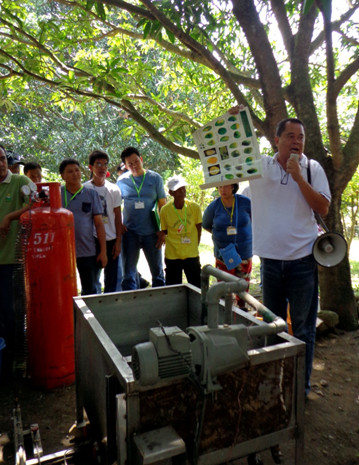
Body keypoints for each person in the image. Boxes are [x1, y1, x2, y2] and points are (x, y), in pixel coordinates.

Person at [0, 146, 34, 375]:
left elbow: (38, 202)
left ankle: (19, 358)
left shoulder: (20, 181)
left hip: (12, 260)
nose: (1, 164)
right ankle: (6, 356)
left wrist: (10, 217)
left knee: (14, 311)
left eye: (2, 159)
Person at [117, 147, 166, 290]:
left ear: (141, 159)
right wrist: (120, 224)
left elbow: (162, 205)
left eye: (136, 161)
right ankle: (131, 305)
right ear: (125, 166)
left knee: (157, 272)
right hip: (130, 232)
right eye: (129, 164)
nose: (134, 166)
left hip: (152, 232)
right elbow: (115, 206)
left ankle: (161, 301)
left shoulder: (155, 178)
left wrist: (163, 230)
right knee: (129, 273)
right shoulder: (121, 181)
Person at [59, 158, 107, 295]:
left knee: (89, 290)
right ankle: (70, 316)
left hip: (87, 250)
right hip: (63, 252)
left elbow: (99, 224)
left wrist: (103, 252)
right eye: (70, 171)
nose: (75, 174)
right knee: (65, 289)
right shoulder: (57, 194)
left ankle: (89, 316)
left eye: (77, 170)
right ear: (63, 176)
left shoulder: (91, 194)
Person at [202, 183, 252, 307]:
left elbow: (255, 218)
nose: (222, 190)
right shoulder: (214, 206)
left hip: (243, 253)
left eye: (225, 186)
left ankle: (242, 310)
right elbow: (206, 224)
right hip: (223, 254)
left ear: (233, 187)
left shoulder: (245, 202)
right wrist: (220, 236)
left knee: (243, 285)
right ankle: (225, 314)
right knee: (224, 287)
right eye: (219, 187)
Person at [84, 150, 123, 293]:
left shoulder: (114, 189)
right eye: (98, 164)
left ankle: (111, 310)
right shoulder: (85, 189)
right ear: (90, 167)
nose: (102, 168)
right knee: (93, 280)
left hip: (112, 238)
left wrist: (118, 241)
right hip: (92, 239)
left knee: (112, 280)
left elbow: (118, 217)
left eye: (105, 164)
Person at [159, 175, 202, 287]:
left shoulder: (194, 207)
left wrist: (194, 246)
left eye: (183, 188)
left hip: (191, 254)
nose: (182, 191)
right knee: (173, 287)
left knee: (197, 286)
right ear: (171, 193)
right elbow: (165, 231)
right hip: (173, 255)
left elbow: (198, 229)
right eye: (178, 190)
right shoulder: (165, 210)